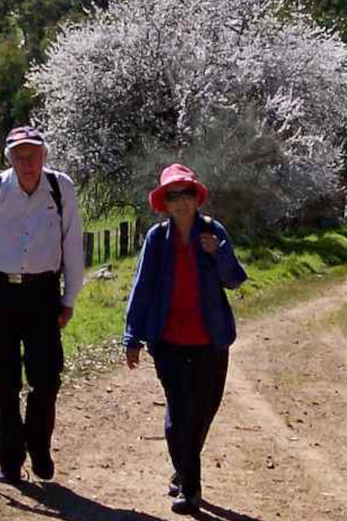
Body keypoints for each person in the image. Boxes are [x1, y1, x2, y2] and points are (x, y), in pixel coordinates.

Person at [0, 125, 85, 485]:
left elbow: (73, 246)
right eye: (19, 156)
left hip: (43, 294)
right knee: (4, 381)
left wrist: (69, 297)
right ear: (9, 158)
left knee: (46, 378)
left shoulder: (61, 188)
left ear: (44, 155)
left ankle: (39, 447)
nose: (27, 162)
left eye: (33, 154)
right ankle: (10, 460)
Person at [122, 163, 247, 515]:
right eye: (173, 195)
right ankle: (190, 489)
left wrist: (217, 252)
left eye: (186, 194)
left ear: (196, 198)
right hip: (168, 341)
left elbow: (235, 279)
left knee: (203, 413)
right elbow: (141, 287)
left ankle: (182, 468)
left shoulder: (213, 231)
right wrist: (132, 336)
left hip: (211, 341)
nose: (180, 201)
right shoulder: (156, 240)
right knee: (180, 411)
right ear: (164, 202)